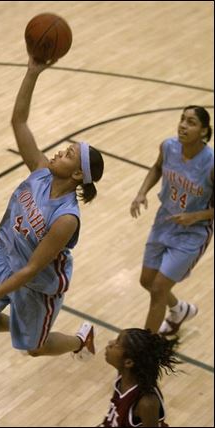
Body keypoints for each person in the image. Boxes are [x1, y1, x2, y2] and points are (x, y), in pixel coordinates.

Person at [0, 56, 104, 360]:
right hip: (3, 254)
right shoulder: (40, 170)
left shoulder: (66, 218)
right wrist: (32, 72)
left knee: (34, 349)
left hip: (37, 283)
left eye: (67, 154)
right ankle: (21, 325)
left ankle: (80, 340)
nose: (57, 153)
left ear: (78, 174)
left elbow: (31, 270)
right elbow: (19, 122)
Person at [130, 106, 213, 335]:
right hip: (164, 219)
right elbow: (157, 168)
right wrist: (141, 192)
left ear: (204, 131)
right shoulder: (168, 146)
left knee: (158, 288)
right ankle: (179, 310)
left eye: (191, 122)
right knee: (147, 280)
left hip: (193, 232)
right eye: (182, 119)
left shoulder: (211, 163)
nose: (183, 126)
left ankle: (144, 353)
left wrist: (195, 216)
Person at [99, 328, 180, 427]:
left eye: (117, 343)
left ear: (128, 362)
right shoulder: (124, 375)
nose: (110, 343)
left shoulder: (147, 403)